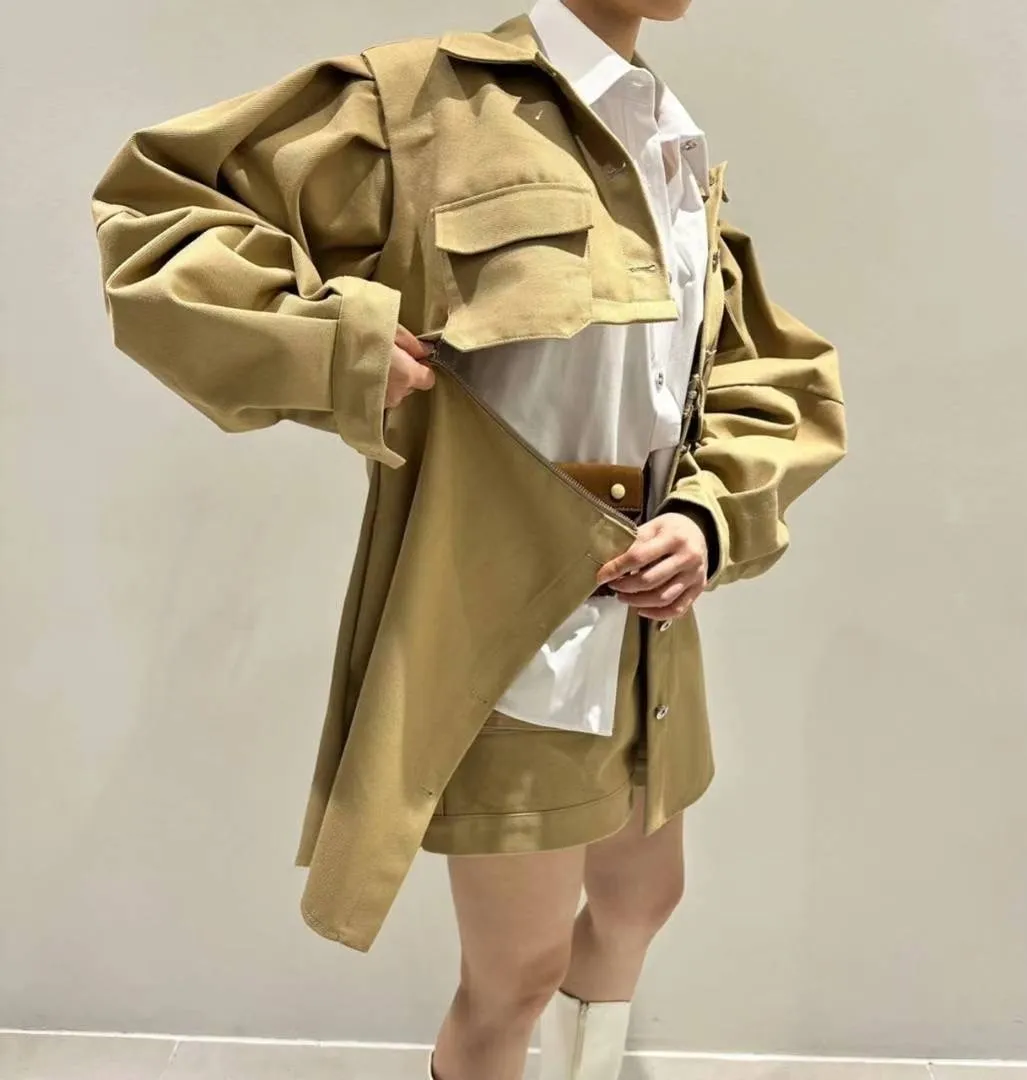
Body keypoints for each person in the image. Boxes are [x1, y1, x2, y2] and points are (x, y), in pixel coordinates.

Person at [91, 1, 846, 1077]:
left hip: (647, 621)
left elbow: (741, 363)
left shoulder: (663, 134)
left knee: (642, 898)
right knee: (516, 973)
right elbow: (157, 207)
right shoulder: (420, 102)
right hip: (508, 625)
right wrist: (335, 345)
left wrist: (705, 515)